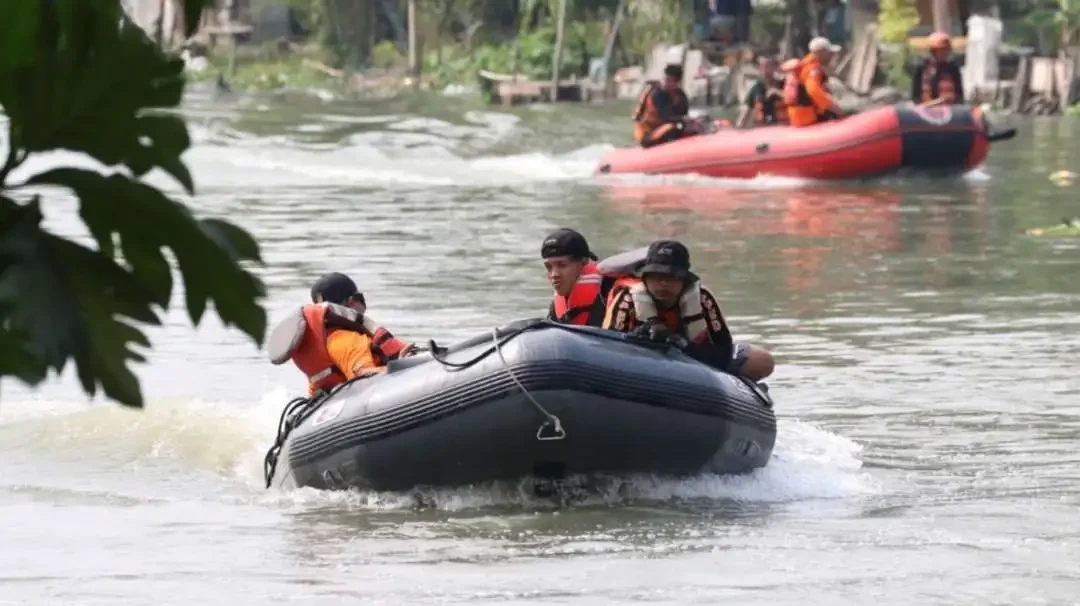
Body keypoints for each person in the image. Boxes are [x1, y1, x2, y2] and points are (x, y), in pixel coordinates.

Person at [601, 241, 775, 382]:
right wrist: (640, 337)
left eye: (671, 277)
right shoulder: (627, 298)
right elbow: (609, 348)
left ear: (684, 282)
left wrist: (683, 346)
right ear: (644, 278)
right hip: (640, 360)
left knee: (762, 361)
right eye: (656, 276)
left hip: (694, 359)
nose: (663, 283)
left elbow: (723, 347)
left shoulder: (702, 299)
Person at [268, 272, 416, 396]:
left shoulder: (320, 343)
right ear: (351, 301)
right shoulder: (346, 340)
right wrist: (401, 367)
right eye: (360, 298)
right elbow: (366, 376)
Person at [542, 228, 614, 327]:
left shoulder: (609, 295)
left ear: (584, 263)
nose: (554, 274)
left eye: (562, 265)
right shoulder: (556, 307)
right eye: (548, 267)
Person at [785, 36, 846, 127]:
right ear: (821, 53)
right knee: (842, 113)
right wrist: (835, 108)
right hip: (806, 117)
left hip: (801, 115)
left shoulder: (808, 64)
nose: (831, 56)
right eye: (829, 53)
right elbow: (813, 90)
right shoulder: (812, 69)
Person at [633, 64, 693, 148]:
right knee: (673, 127)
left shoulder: (680, 96)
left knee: (686, 126)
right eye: (664, 79)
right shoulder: (656, 94)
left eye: (669, 80)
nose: (665, 83)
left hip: (662, 128)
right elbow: (666, 117)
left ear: (677, 82)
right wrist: (684, 120)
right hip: (647, 134)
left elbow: (683, 114)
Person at [912, 32, 964, 106]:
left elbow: (959, 97)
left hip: (949, 112)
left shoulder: (953, 69)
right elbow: (916, 98)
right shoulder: (921, 69)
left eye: (945, 50)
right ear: (932, 51)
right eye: (939, 50)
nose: (943, 53)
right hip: (926, 112)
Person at [737, 56, 789, 128]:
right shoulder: (755, 89)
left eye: (768, 67)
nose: (766, 71)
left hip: (783, 128)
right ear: (759, 69)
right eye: (762, 67)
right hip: (762, 130)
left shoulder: (785, 85)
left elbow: (795, 99)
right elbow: (744, 116)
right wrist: (738, 128)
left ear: (774, 67)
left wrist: (777, 92)